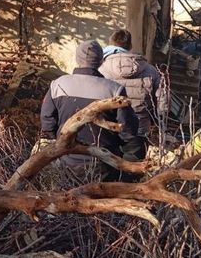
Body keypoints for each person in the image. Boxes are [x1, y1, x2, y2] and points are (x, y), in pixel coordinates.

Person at [40, 40, 142, 181]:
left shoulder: (57, 85)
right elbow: (128, 130)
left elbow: (47, 124)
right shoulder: (114, 90)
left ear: (77, 59)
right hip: (104, 163)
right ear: (101, 61)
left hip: (66, 161)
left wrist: (61, 141)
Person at [98, 29, 168, 139]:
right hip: (140, 125)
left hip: (110, 125)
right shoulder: (150, 70)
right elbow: (163, 99)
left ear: (110, 44)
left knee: (110, 155)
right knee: (137, 154)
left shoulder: (101, 69)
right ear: (130, 46)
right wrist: (158, 122)